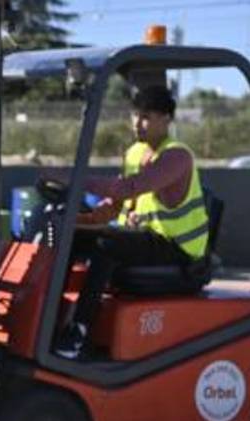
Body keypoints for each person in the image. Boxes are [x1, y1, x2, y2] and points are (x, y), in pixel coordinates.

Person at [55, 85, 209, 358]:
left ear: (167, 119)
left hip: (176, 249)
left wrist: (75, 180)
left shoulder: (176, 156)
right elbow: (116, 205)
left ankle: (78, 331)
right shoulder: (135, 153)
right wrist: (78, 220)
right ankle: (52, 318)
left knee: (106, 244)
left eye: (146, 116)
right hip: (145, 239)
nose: (138, 123)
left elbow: (129, 187)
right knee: (69, 235)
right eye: (135, 115)